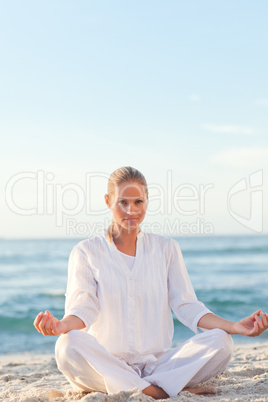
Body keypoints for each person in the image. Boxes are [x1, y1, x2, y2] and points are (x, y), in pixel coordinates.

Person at [33, 166, 268, 400]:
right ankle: (160, 391)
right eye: (122, 202)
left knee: (222, 341)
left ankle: (141, 387)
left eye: (138, 202)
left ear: (147, 202)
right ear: (107, 201)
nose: (131, 210)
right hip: (107, 364)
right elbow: (84, 308)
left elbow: (187, 305)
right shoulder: (86, 251)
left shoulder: (166, 248)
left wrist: (234, 326)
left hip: (160, 366)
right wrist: (61, 326)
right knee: (67, 345)